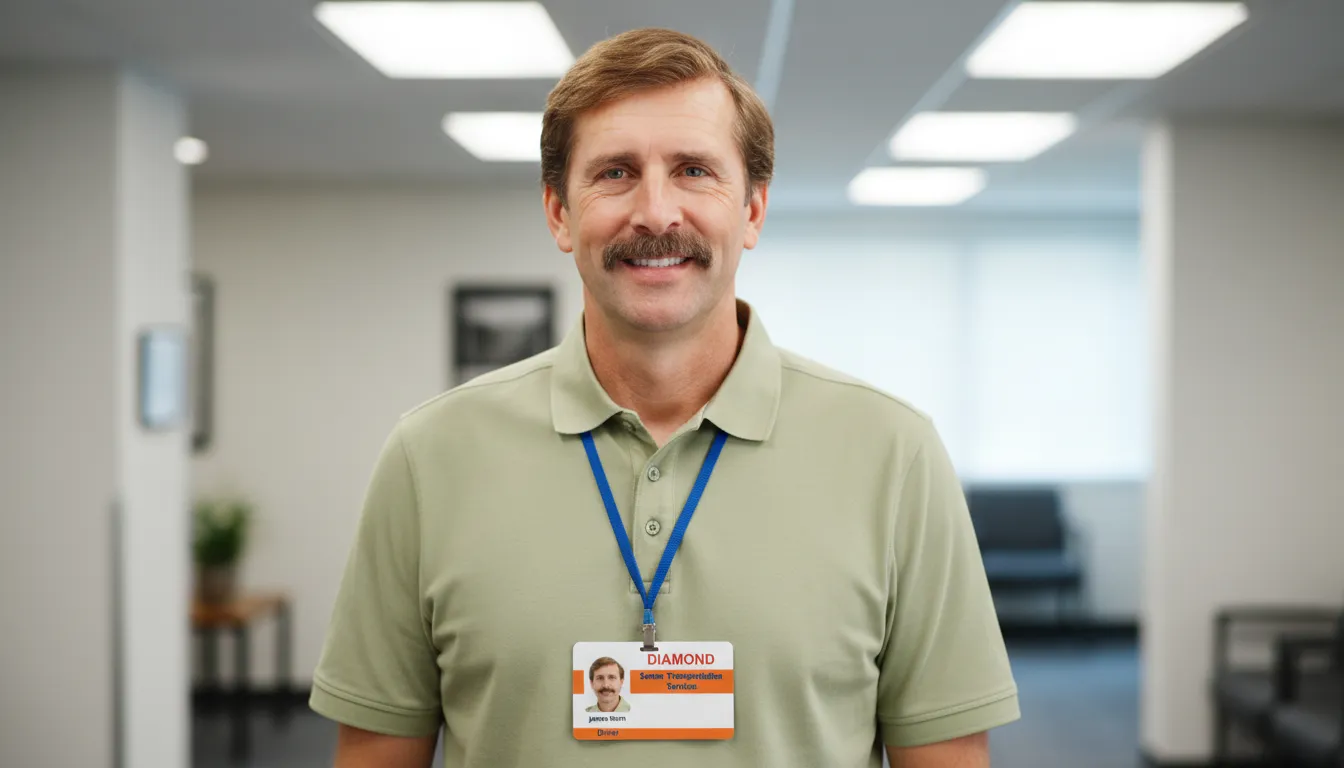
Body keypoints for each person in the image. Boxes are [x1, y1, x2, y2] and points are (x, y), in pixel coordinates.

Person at [310, 27, 1019, 768]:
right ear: (559, 212)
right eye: (615, 172)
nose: (655, 212)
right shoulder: (431, 457)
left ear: (751, 211)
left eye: (693, 170)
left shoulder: (893, 453)